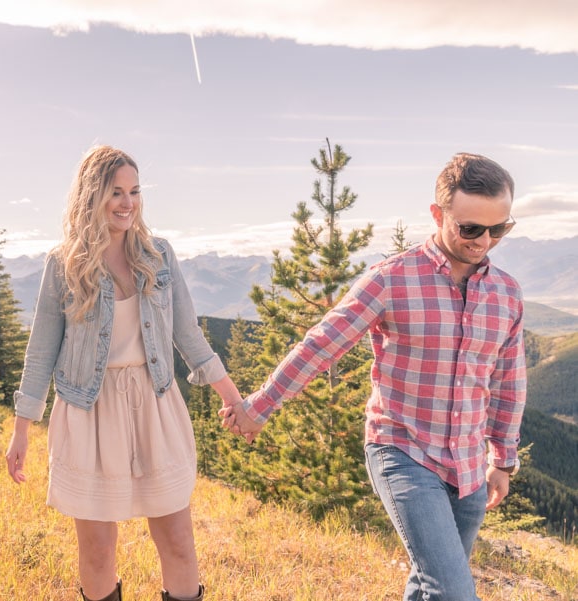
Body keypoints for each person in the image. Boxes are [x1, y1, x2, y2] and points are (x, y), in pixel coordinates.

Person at [220, 152, 526, 601]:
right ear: (438, 214)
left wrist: (503, 459)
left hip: (468, 466)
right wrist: (259, 407)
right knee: (455, 593)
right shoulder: (391, 280)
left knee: (428, 587)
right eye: (470, 228)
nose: (484, 241)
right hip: (401, 450)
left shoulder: (507, 294)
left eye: (498, 229)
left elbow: (508, 380)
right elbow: (321, 344)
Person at [5, 145, 243, 601]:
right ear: (92, 196)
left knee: (177, 541)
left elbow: (188, 336)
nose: (127, 203)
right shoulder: (64, 265)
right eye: (116, 192)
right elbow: (40, 354)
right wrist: (21, 431)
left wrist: (232, 397)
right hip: (88, 411)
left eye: (134, 191)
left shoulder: (160, 256)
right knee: (97, 552)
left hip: (155, 404)